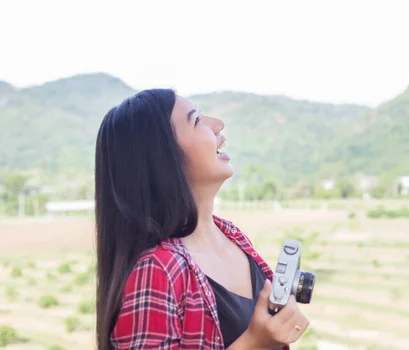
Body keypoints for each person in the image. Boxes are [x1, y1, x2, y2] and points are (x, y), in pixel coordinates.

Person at [94, 89, 309, 350]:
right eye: (196, 120)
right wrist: (254, 343)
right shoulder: (158, 270)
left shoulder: (232, 235)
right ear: (162, 156)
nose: (217, 125)